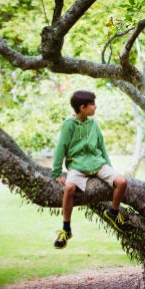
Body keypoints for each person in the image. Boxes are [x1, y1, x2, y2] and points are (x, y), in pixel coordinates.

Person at [51, 90, 128, 249]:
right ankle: (66, 229)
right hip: (77, 166)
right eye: (92, 104)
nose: (95, 106)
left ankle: (113, 212)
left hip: (97, 163)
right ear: (82, 107)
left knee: (121, 181)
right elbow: (61, 148)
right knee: (69, 188)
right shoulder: (69, 125)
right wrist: (57, 173)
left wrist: (110, 170)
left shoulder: (93, 124)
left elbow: (101, 147)